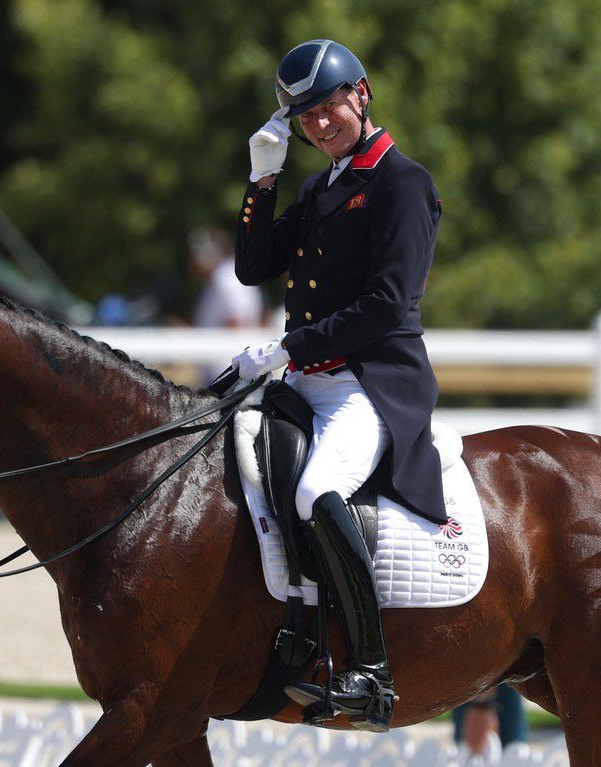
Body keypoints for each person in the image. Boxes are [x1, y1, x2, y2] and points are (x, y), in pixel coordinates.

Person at [230, 39, 447, 733]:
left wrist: (288, 345)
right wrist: (261, 183)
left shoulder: (401, 182)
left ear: (363, 93)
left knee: (312, 491)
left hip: (369, 384)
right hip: (305, 382)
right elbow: (253, 265)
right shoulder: (318, 186)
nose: (319, 125)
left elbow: (387, 305)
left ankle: (372, 671)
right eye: (306, 118)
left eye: (328, 108)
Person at [189, 228, 265, 382]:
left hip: (226, 369)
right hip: (225, 368)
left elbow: (237, 319)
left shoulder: (226, 277)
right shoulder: (226, 275)